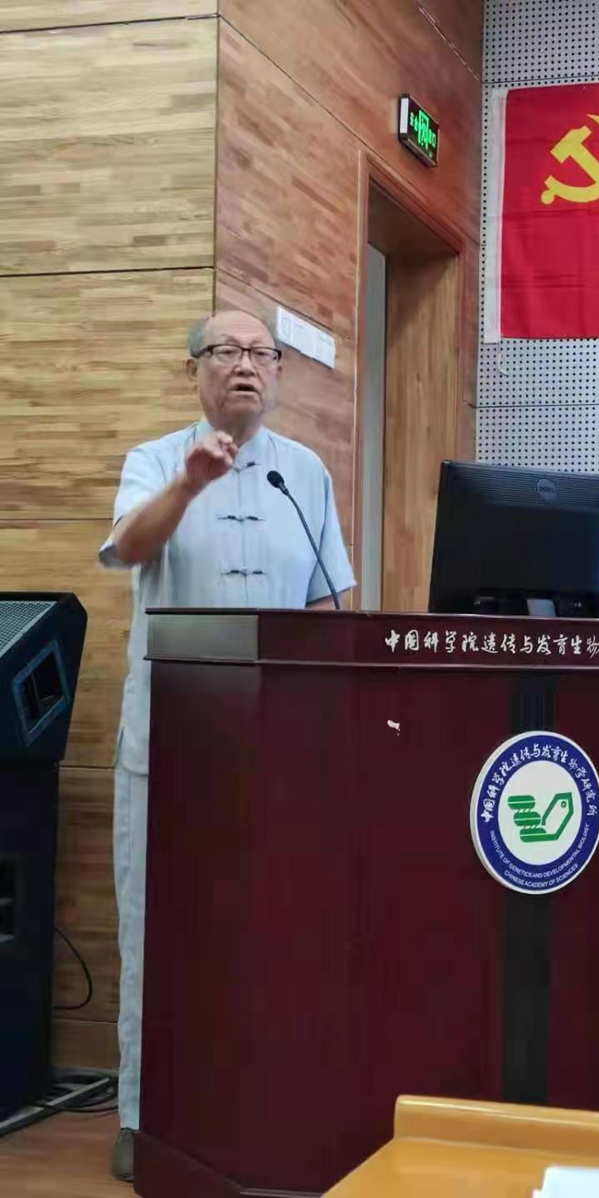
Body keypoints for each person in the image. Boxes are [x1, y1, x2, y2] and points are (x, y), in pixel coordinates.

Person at [99, 310, 354, 1182]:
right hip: (169, 747)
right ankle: (143, 1119)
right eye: (227, 352)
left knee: (269, 928)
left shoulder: (304, 472)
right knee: (156, 932)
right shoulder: (154, 461)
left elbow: (326, 605)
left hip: (274, 753)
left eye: (261, 354)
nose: (246, 365)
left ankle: (261, 1105)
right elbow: (127, 547)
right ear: (194, 370)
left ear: (278, 372)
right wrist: (190, 484)